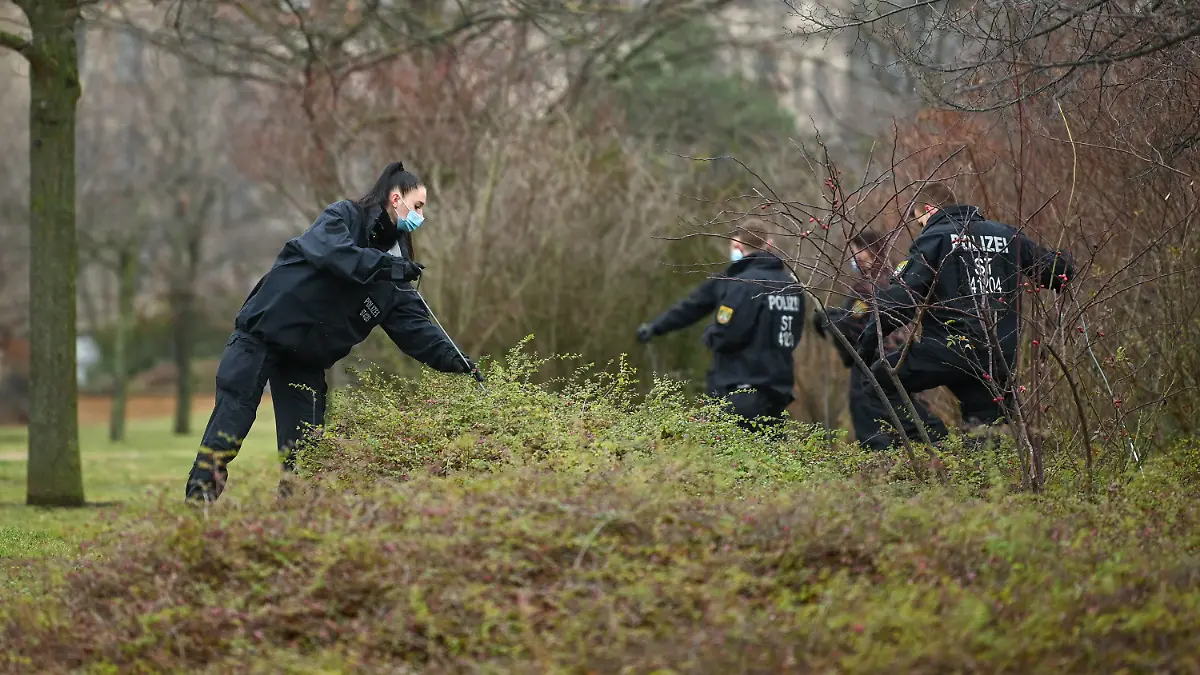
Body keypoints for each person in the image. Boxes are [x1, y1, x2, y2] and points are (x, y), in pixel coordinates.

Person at [185, 162, 482, 503]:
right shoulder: (343, 218)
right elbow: (335, 255)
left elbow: (417, 330)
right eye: (417, 206)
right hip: (261, 337)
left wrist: (460, 362)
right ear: (395, 197)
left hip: (306, 361)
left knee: (306, 454)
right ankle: (198, 512)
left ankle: (295, 525)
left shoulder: (396, 273)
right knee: (228, 427)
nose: (420, 216)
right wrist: (388, 267)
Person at [855, 181, 1074, 450]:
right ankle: (984, 483)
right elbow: (1057, 273)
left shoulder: (934, 239)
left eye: (918, 221)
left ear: (928, 209)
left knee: (879, 380)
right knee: (986, 436)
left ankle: (939, 444)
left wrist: (865, 347)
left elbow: (902, 300)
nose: (920, 228)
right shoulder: (1006, 235)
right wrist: (1067, 259)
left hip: (949, 349)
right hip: (998, 354)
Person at [636, 225, 804, 430]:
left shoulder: (741, 284)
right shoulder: (790, 286)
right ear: (769, 245)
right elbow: (795, 333)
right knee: (770, 456)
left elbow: (728, 332)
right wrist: (658, 326)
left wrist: (710, 336)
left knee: (730, 456)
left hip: (741, 387)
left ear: (738, 245)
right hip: (779, 389)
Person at [813, 229, 936, 447]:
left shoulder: (867, 288)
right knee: (906, 418)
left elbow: (855, 326)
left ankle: (884, 470)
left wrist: (829, 320)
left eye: (857, 252)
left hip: (872, 362)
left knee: (874, 427)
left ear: (870, 252)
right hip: (901, 359)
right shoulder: (897, 278)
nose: (854, 258)